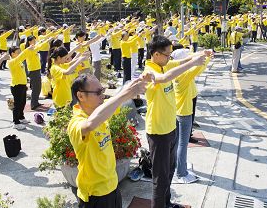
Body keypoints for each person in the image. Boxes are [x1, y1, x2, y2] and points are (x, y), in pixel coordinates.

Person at [68, 74, 150, 208]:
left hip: (112, 186)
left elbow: (117, 98)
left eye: (103, 90)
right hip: (95, 194)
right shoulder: (76, 122)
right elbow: (89, 125)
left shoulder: (99, 109)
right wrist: (128, 92)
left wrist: (138, 81)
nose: (102, 96)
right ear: (81, 96)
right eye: (98, 92)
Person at [143, 35, 207, 208]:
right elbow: (164, 79)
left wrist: (200, 54)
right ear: (156, 54)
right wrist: (193, 63)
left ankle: (167, 203)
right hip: (158, 132)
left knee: (169, 172)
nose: (170, 58)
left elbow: (180, 61)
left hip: (170, 128)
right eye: (167, 54)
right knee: (160, 179)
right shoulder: (150, 72)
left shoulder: (164, 64)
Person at [171, 48, 212, 184]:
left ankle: (178, 165)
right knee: (183, 144)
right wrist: (208, 57)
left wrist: (201, 54)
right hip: (185, 113)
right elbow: (199, 68)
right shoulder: (185, 75)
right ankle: (182, 172)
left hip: (176, 111)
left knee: (177, 142)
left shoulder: (174, 73)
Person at [7, 45, 33, 130]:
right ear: (12, 53)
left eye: (20, 52)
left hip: (22, 85)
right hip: (16, 86)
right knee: (17, 105)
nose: (20, 53)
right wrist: (27, 50)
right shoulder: (11, 62)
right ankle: (16, 122)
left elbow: (23, 57)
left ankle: (21, 117)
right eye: (18, 52)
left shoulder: (19, 61)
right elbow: (21, 56)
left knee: (23, 103)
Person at [25, 35, 50, 110]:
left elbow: (39, 44)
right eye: (33, 40)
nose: (35, 42)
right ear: (29, 42)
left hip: (36, 70)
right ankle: (33, 104)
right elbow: (40, 46)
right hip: (33, 70)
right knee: (36, 88)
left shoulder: (33, 48)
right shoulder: (30, 49)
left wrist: (43, 41)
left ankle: (36, 102)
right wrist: (47, 40)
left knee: (38, 87)